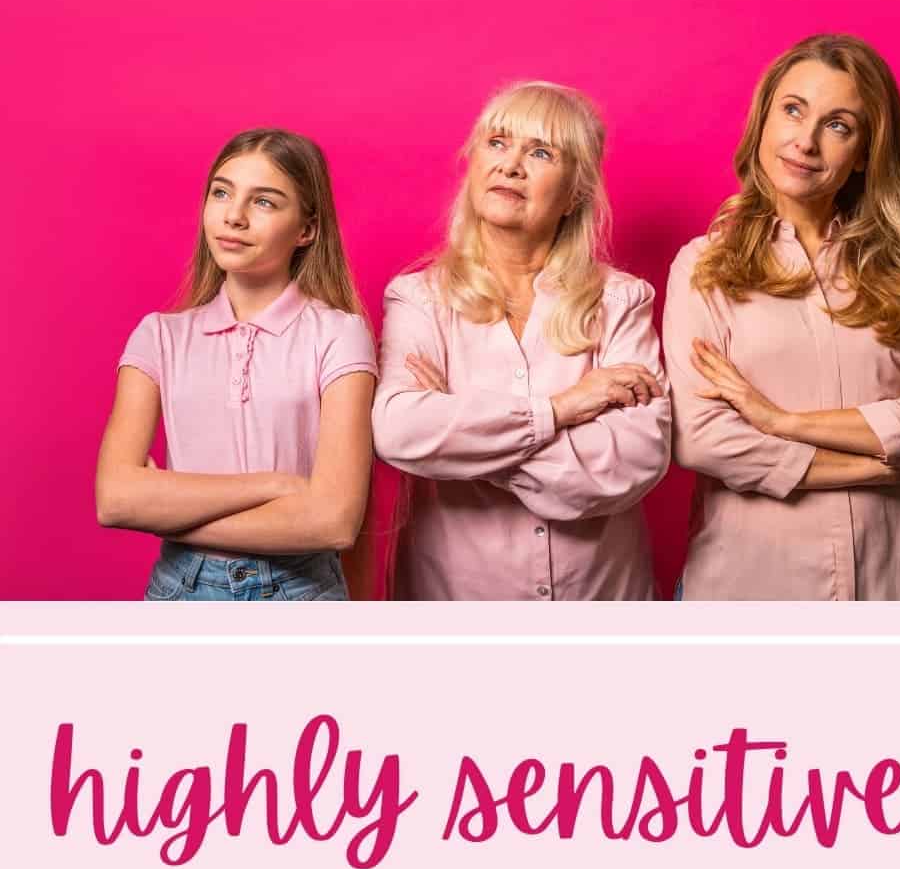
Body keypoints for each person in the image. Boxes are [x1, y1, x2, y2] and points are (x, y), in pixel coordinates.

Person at [664, 34, 900, 600]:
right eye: (793, 110)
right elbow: (702, 438)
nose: (806, 142)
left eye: (838, 125)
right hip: (752, 587)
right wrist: (880, 461)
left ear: (865, 152)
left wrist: (779, 421)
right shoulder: (704, 267)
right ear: (764, 120)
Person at [372, 81, 670, 600]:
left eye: (540, 151)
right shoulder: (417, 298)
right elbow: (399, 430)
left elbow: (636, 460)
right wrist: (560, 410)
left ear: (577, 190)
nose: (511, 165)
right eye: (497, 143)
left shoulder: (622, 300)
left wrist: (462, 430)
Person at [96, 129, 376, 600]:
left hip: (299, 590)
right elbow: (115, 500)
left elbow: (333, 522)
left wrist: (166, 506)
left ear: (306, 229)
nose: (234, 216)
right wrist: (276, 486)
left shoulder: (338, 334)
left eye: (264, 202)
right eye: (222, 193)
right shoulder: (160, 336)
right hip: (181, 591)